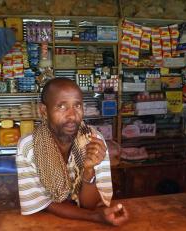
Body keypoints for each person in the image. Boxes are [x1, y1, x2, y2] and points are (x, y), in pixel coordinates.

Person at [16, 77, 129, 226]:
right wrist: (95, 217)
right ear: (43, 111)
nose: (72, 115)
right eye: (62, 106)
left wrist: (89, 170)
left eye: (77, 105)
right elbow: (41, 203)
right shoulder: (29, 146)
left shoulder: (93, 141)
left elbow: (89, 205)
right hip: (47, 223)